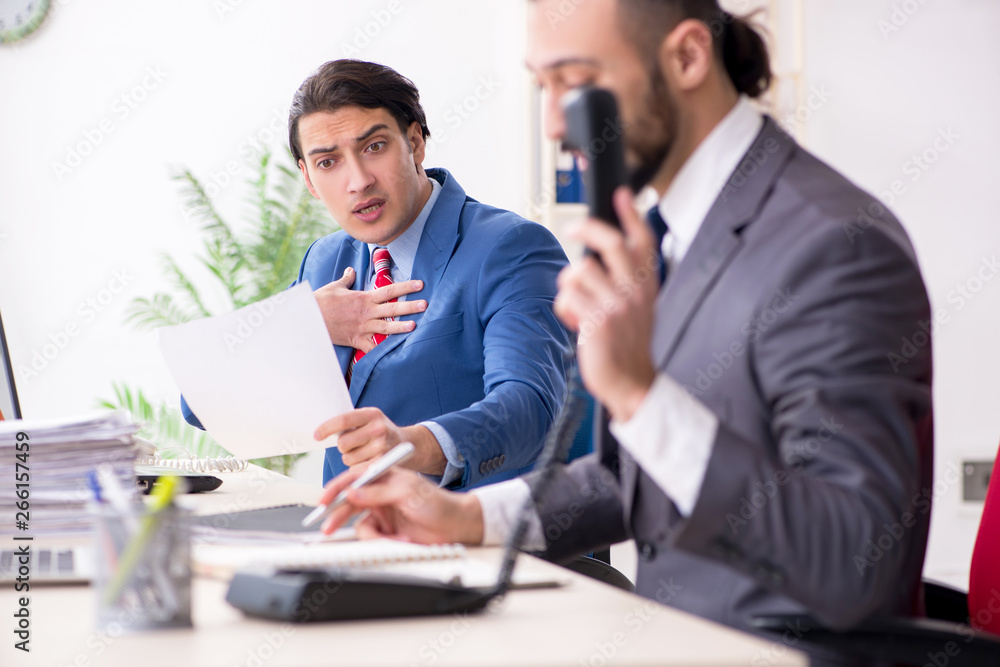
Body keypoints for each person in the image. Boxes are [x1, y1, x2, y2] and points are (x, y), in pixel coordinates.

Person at [316, 0, 935, 650]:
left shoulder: (834, 244)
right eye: (543, 85)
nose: (555, 121)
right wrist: (465, 516)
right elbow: (637, 477)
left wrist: (639, 395)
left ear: (688, 57)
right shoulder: (676, 232)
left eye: (575, 80)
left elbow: (856, 561)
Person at [186, 59, 573, 490]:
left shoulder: (510, 247)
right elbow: (200, 407)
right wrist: (297, 325)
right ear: (309, 180)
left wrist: (411, 446)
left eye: (374, 147)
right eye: (328, 162)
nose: (358, 181)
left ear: (414, 141)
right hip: (349, 537)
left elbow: (530, 407)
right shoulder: (325, 261)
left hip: (467, 538)